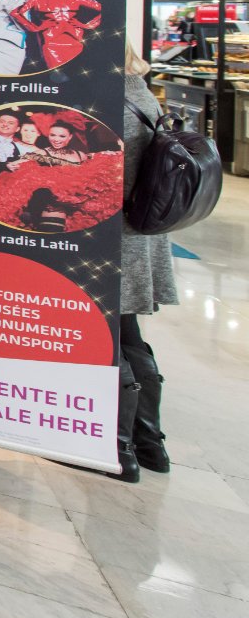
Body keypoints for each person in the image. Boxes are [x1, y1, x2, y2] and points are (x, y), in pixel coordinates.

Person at [120, 45, 178, 478]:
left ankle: (121, 448)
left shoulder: (106, 98)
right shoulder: (139, 90)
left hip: (113, 239)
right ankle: (149, 442)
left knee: (108, 337)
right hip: (138, 235)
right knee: (127, 333)